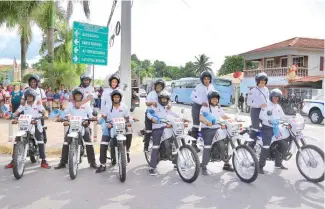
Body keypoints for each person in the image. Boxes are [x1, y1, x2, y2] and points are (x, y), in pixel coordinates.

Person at [4, 89, 51, 169]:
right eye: (27, 96)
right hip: (25, 124)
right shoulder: (24, 104)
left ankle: (44, 160)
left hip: (36, 123)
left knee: (40, 140)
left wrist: (45, 114)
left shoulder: (37, 104)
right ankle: (13, 160)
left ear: (33, 97)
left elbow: (43, 111)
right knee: (17, 140)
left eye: (31, 96)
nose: (29, 98)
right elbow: (17, 112)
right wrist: (12, 115)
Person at [54, 88, 98, 170]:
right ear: (74, 96)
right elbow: (65, 113)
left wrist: (93, 118)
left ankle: (92, 162)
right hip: (73, 125)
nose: (78, 96)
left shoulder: (86, 105)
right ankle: (63, 162)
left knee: (88, 141)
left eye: (79, 95)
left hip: (83, 125)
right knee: (66, 142)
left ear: (82, 96)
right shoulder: (71, 104)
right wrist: (60, 117)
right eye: (76, 95)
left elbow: (90, 115)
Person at [199, 90, 234, 175]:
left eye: (216, 99)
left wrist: (231, 119)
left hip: (217, 127)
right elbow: (201, 117)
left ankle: (226, 163)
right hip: (207, 129)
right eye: (213, 99)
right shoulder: (205, 107)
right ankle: (204, 166)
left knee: (226, 142)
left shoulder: (218, 106)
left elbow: (223, 116)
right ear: (209, 99)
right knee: (207, 146)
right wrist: (206, 122)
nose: (215, 100)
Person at [96, 89, 130, 173]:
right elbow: (103, 117)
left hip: (121, 126)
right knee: (103, 144)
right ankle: (103, 164)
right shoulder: (107, 106)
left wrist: (129, 122)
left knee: (129, 133)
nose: (116, 98)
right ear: (112, 98)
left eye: (118, 97)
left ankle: (127, 153)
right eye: (115, 97)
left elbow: (127, 118)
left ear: (120, 98)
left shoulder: (124, 107)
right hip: (110, 126)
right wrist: (100, 121)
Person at [147, 90, 180, 175]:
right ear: (160, 99)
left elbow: (173, 114)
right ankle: (152, 167)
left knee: (175, 143)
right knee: (156, 146)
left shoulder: (167, 107)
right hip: (157, 128)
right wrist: (152, 118)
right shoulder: (155, 105)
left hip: (167, 127)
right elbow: (149, 113)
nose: (164, 100)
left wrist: (181, 119)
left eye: (166, 99)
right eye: (162, 99)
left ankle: (176, 163)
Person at [259, 89, 289, 174]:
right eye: (274, 97)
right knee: (266, 146)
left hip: (276, 128)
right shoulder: (266, 105)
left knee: (282, 143)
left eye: (277, 98)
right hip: (267, 128)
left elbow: (283, 116)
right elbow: (261, 116)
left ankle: (278, 163)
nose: (275, 99)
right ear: (271, 97)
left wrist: (291, 119)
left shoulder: (278, 106)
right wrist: (269, 121)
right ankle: (260, 166)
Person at [190, 71, 215, 152]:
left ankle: (207, 144)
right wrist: (201, 102)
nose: (206, 80)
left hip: (207, 109)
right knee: (196, 126)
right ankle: (193, 144)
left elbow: (215, 96)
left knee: (208, 125)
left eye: (208, 79)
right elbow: (192, 97)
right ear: (202, 79)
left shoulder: (211, 86)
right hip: (197, 107)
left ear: (210, 79)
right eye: (205, 79)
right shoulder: (198, 87)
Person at [144, 79, 166, 152]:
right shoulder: (151, 94)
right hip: (151, 114)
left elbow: (168, 101)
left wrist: (169, 105)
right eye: (157, 86)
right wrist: (152, 103)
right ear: (155, 86)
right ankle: (146, 147)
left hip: (160, 115)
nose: (159, 87)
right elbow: (147, 103)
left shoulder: (164, 93)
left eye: (160, 86)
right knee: (149, 131)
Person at [247, 72, 269, 147]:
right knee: (255, 128)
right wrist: (259, 105)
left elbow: (267, 100)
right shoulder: (253, 90)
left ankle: (263, 144)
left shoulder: (266, 89)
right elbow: (249, 102)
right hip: (256, 111)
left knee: (267, 126)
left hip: (265, 111)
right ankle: (250, 147)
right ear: (258, 81)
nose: (263, 82)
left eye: (264, 80)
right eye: (261, 80)